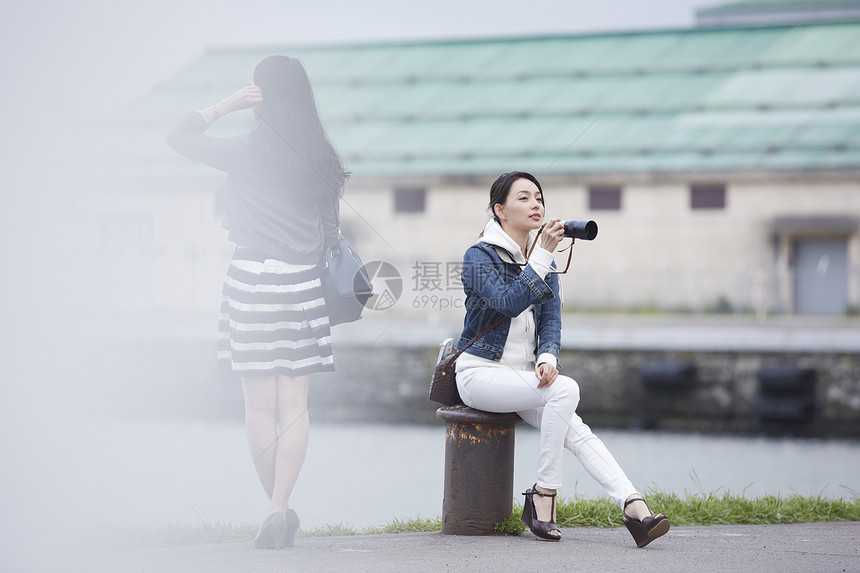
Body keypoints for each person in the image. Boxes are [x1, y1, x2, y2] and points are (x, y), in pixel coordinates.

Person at [166, 55, 349, 550]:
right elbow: (331, 233)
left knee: (257, 408)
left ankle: (275, 509)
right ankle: (278, 506)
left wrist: (224, 105)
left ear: (260, 94)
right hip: (301, 285)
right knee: (294, 406)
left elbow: (179, 136)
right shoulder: (321, 156)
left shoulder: (247, 149)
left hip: (249, 280)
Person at [455, 171, 669, 547]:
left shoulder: (545, 261)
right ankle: (544, 495)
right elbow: (508, 302)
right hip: (480, 374)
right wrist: (541, 256)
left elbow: (551, 323)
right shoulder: (478, 257)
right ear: (499, 210)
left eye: (539, 197)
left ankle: (635, 506)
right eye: (524, 198)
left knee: (576, 428)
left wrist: (547, 356)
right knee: (565, 391)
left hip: (523, 380)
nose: (536, 204)